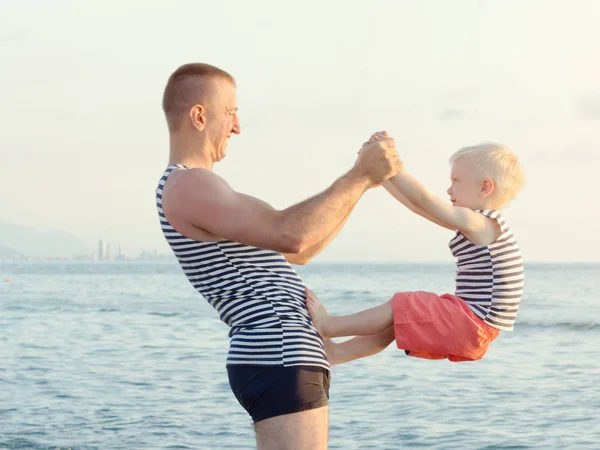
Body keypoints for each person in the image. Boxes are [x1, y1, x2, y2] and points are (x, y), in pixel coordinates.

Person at [155, 63, 402, 450]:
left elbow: (304, 249)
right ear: (200, 116)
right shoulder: (190, 183)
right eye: (231, 112)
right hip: (278, 352)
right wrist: (358, 175)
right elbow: (291, 234)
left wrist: (364, 182)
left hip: (284, 352)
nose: (237, 127)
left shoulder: (199, 187)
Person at [307, 132, 525, 364]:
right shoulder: (481, 225)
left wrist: (393, 168)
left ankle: (330, 325)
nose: (449, 190)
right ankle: (338, 353)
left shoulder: (480, 222)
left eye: (456, 181)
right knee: (399, 320)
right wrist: (380, 177)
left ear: (485, 187)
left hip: (472, 323)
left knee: (402, 304)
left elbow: (426, 201)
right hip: (475, 326)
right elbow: (420, 208)